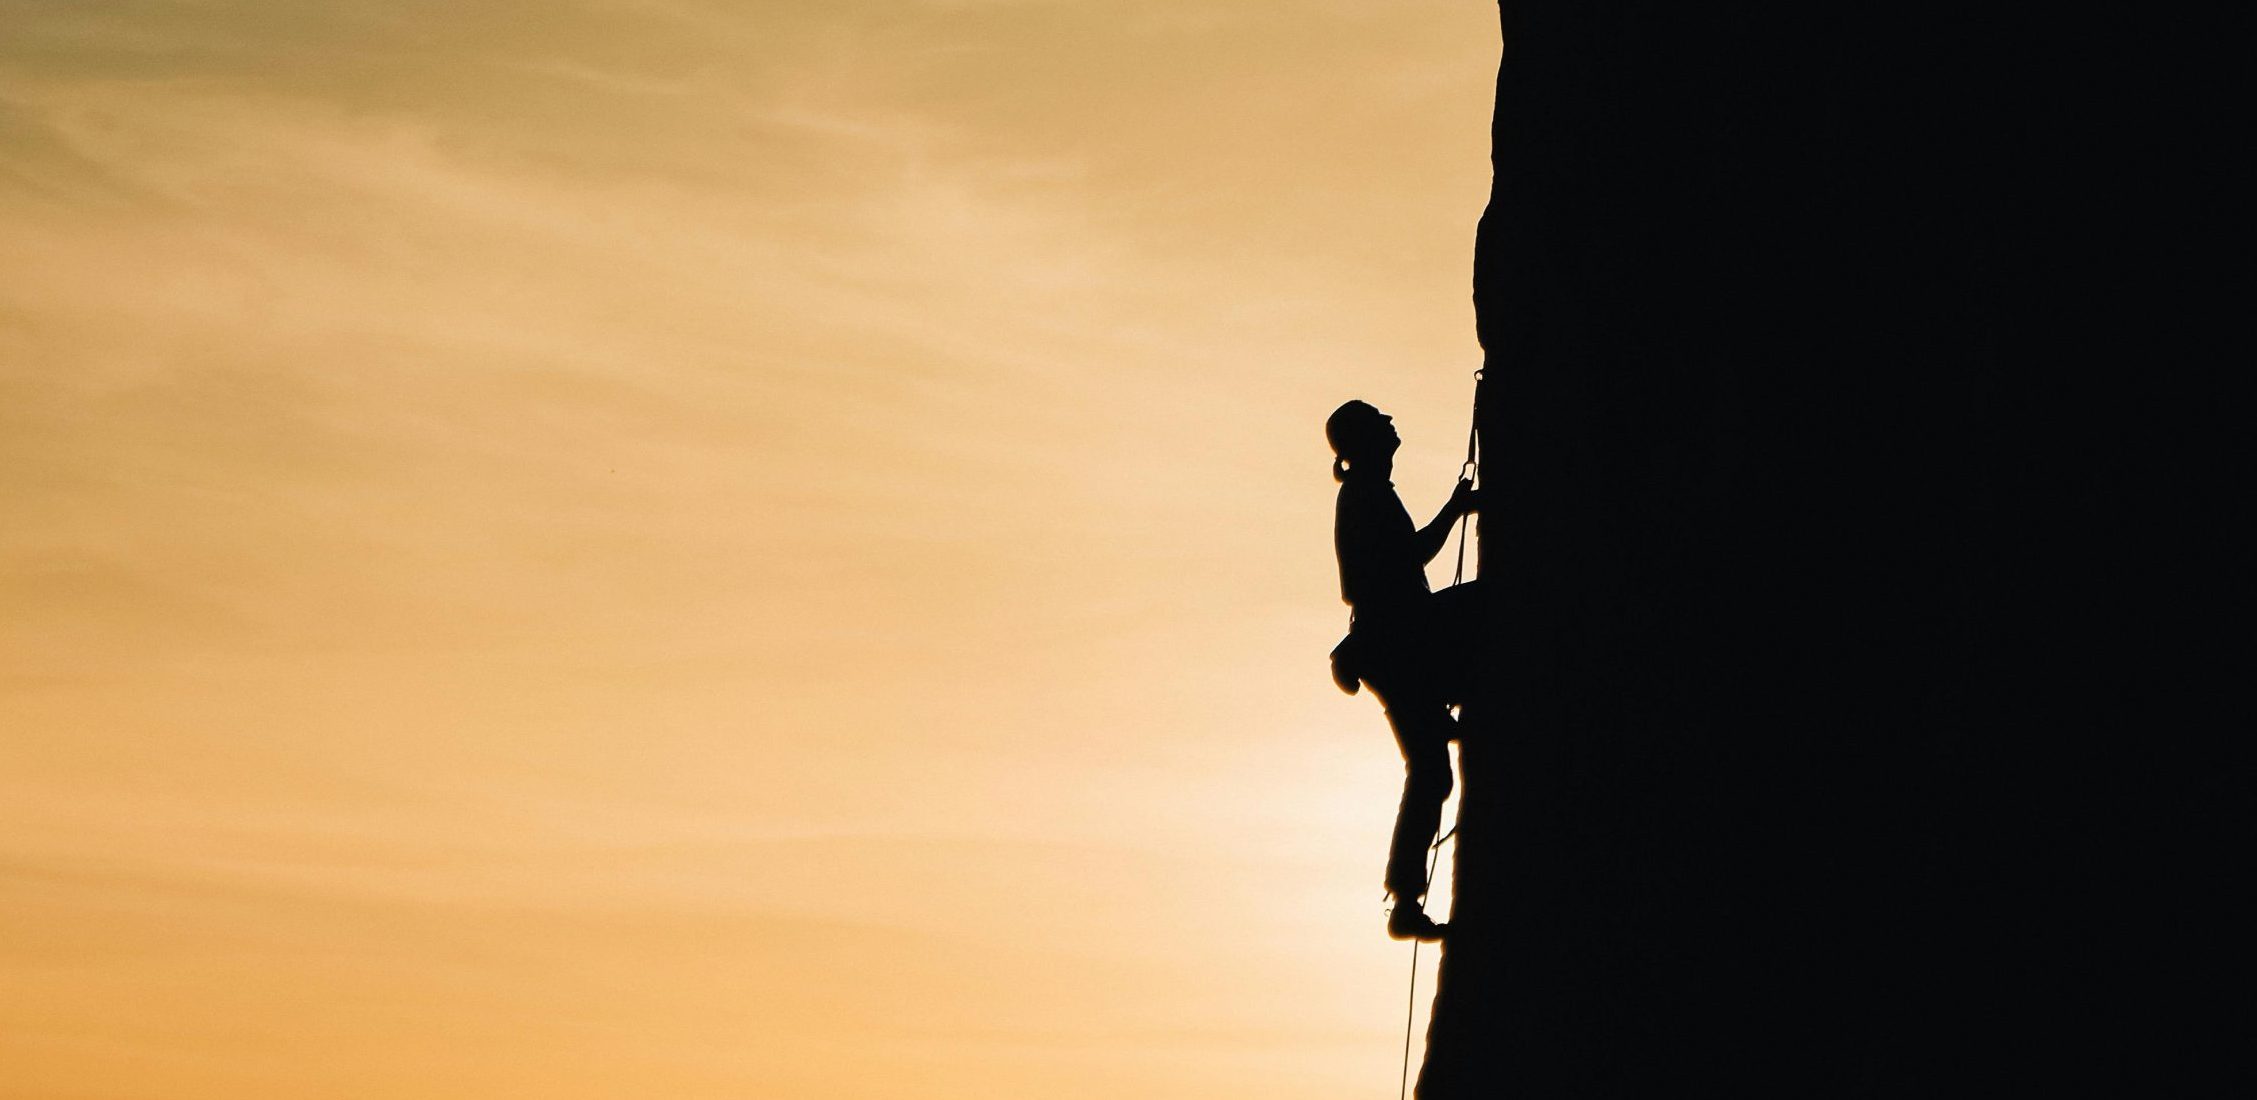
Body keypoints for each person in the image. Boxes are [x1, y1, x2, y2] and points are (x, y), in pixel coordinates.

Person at [1326, 399, 1480, 942]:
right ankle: (1405, 898)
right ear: (1367, 442)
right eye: (1381, 422)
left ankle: (1405, 898)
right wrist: (1456, 509)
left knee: (1432, 772)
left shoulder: (1368, 494)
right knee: (1491, 607)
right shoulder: (1365, 497)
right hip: (1400, 644)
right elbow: (1411, 556)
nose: (1393, 425)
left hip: (1397, 644)